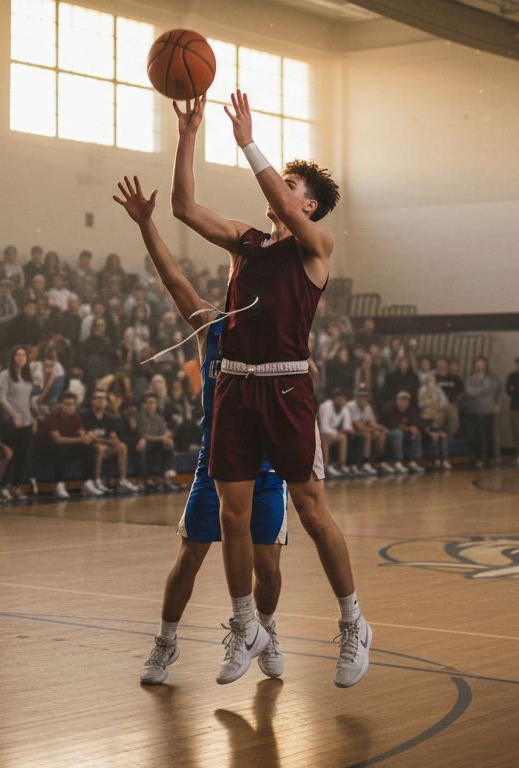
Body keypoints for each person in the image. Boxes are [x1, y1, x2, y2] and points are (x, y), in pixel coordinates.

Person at [172, 93, 369, 687]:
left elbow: (281, 202)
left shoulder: (316, 248)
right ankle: (244, 625)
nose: (280, 189)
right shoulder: (247, 241)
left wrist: (247, 142)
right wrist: (189, 134)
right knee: (232, 515)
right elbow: (183, 208)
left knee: (311, 509)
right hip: (235, 385)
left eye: (290, 185)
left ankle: (354, 621)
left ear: (309, 205)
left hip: (285, 387)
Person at [114, 175, 288, 685]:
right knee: (189, 556)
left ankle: (265, 630)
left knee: (268, 566)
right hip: (216, 462)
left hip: (266, 465)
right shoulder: (211, 326)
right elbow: (172, 277)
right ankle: (165, 642)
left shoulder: (277, 337)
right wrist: (146, 225)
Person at [40, 391, 100, 499]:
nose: (69, 407)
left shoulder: (75, 416)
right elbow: (57, 439)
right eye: (66, 404)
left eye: (71, 404)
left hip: (67, 446)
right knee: (60, 449)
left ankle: (88, 482)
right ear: (59, 404)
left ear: (75, 405)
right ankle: (59, 484)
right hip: (46, 449)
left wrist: (88, 437)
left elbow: (81, 432)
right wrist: (81, 439)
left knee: (89, 448)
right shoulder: (52, 416)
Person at [0, 345, 34, 496]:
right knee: (10, 454)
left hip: (26, 420)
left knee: (22, 455)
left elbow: (27, 400)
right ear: (12, 357)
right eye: (18, 355)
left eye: (23, 355)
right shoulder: (5, 375)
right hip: (11, 420)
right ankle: (3, 486)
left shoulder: (27, 375)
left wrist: (32, 416)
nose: (21, 357)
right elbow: (1, 398)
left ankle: (16, 486)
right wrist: (13, 415)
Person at [82, 389, 137, 494]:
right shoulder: (85, 416)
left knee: (122, 446)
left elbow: (114, 439)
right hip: (88, 449)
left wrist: (107, 441)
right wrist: (104, 441)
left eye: (104, 398)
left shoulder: (109, 418)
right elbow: (87, 438)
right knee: (99, 447)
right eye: (98, 398)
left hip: (104, 447)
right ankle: (96, 481)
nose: (101, 400)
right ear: (92, 401)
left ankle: (122, 481)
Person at [463, 357, 500, 469]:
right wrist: (483, 389)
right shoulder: (470, 379)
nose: (479, 366)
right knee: (478, 435)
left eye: (481, 363)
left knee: (489, 434)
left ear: (485, 365)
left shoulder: (491, 378)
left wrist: (477, 390)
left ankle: (491, 457)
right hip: (475, 410)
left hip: (488, 410)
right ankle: (479, 458)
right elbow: (469, 392)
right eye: (477, 364)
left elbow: (493, 390)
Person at [380, 390, 425, 473]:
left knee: (417, 433)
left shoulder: (410, 409)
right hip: (386, 431)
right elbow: (393, 425)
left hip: (402, 431)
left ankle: (413, 461)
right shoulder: (390, 408)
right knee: (398, 433)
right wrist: (409, 428)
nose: (404, 402)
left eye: (406, 400)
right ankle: (398, 462)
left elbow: (415, 422)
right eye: (401, 400)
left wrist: (414, 428)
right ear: (397, 400)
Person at [417, 375, 452, 470]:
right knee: (433, 438)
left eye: (433, 381)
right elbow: (422, 405)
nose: (431, 382)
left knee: (443, 436)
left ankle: (444, 460)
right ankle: (432, 461)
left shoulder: (438, 390)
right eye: (429, 380)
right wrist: (431, 433)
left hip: (435, 422)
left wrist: (440, 432)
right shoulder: (422, 392)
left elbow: (444, 403)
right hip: (426, 430)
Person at [318, 389, 353, 477]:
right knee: (326, 438)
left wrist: (339, 432)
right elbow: (323, 427)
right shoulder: (326, 406)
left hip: (332, 433)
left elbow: (347, 426)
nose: (342, 400)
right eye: (340, 398)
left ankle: (341, 465)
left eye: (344, 398)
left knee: (343, 438)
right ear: (334, 398)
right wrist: (338, 433)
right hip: (317, 432)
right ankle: (325, 466)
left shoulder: (344, 408)